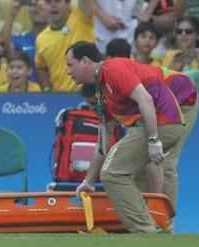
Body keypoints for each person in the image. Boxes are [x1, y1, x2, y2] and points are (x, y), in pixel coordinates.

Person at [67, 41, 185, 234]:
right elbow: (103, 144)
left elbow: (144, 99)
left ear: (86, 61)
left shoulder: (113, 67)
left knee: (113, 172)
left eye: (70, 64)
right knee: (123, 174)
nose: (67, 72)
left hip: (164, 122)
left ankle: (146, 231)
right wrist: (88, 181)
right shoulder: (101, 90)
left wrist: (154, 140)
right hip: (157, 125)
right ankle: (152, 228)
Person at [35, 0, 96, 91]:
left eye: (58, 0)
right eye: (49, 2)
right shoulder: (41, 38)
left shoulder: (81, 18)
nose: (53, 5)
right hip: (60, 98)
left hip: (89, 93)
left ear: (68, 4)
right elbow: (41, 67)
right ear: (44, 7)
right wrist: (46, 88)